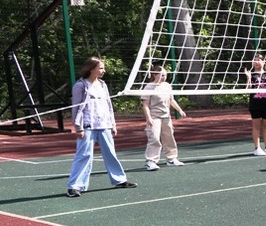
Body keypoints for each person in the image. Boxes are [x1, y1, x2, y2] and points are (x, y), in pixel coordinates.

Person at [66, 57, 137, 196]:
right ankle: (74, 186)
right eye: (101, 68)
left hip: (104, 124)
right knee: (84, 155)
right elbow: (76, 108)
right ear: (91, 69)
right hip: (87, 126)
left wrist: (113, 124)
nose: (103, 71)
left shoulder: (103, 85)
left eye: (103, 68)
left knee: (111, 153)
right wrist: (78, 127)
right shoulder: (80, 86)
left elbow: (108, 106)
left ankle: (119, 180)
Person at [141, 64, 186, 171]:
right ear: (155, 75)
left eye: (165, 75)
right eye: (162, 75)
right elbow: (145, 104)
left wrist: (180, 110)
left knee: (169, 137)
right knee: (154, 138)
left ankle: (171, 158)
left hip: (166, 116)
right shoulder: (149, 87)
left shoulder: (167, 86)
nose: (164, 77)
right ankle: (151, 161)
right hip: (154, 117)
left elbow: (171, 100)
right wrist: (148, 118)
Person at [244, 54, 266, 155]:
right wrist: (248, 78)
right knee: (256, 126)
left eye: (259, 60)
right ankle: (257, 148)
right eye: (255, 60)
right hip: (255, 103)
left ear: (263, 62)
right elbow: (247, 89)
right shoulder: (252, 74)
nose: (257, 62)